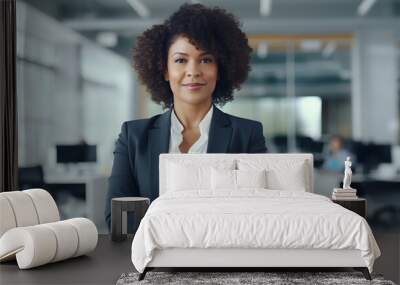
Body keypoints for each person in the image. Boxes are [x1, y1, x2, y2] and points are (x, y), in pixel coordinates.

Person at [105, 4, 267, 228]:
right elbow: (118, 219)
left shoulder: (247, 134)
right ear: (164, 70)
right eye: (181, 60)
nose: (193, 71)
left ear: (221, 69)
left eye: (206, 59)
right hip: (155, 260)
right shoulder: (133, 136)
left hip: (222, 260)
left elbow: (257, 214)